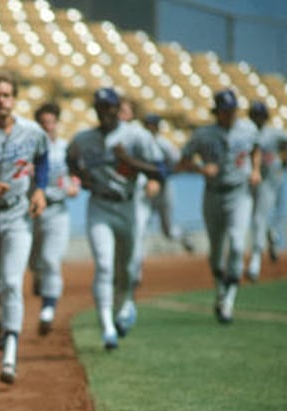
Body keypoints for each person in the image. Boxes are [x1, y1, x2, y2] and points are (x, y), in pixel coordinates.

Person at [66, 87, 165, 349]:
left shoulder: (136, 135)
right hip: (100, 205)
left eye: (109, 107)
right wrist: (81, 176)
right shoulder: (84, 138)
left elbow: (160, 169)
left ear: (118, 108)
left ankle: (124, 306)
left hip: (128, 207)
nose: (105, 112)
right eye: (100, 107)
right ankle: (108, 327)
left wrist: (128, 160)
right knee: (105, 265)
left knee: (129, 270)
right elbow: (70, 158)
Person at [0, 70, 48, 383]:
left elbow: (42, 158)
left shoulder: (31, 131)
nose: (2, 101)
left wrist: (40, 189)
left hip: (18, 214)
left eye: (7, 95)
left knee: (12, 281)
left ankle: (10, 354)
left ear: (14, 98)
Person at [176, 89, 261, 323]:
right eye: (225, 110)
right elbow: (183, 161)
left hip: (239, 193)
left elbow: (256, 149)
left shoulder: (248, 129)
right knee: (216, 251)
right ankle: (220, 291)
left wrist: (255, 170)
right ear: (217, 112)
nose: (229, 114)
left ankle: (228, 300)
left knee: (236, 243)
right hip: (213, 194)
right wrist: (201, 169)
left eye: (232, 110)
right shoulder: (203, 134)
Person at [29, 102, 81, 335]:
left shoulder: (65, 148)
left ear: (57, 123)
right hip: (31, 211)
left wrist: (74, 186)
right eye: (44, 123)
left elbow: (76, 173)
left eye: (51, 122)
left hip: (57, 210)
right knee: (34, 262)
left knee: (51, 259)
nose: (48, 126)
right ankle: (39, 277)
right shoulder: (30, 147)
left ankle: (48, 310)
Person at [132, 113, 194, 284]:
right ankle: (136, 272)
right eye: (148, 125)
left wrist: (160, 177)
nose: (150, 128)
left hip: (164, 190)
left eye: (153, 125)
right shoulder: (137, 143)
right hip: (144, 192)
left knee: (168, 231)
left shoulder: (164, 144)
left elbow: (178, 164)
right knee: (139, 230)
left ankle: (183, 235)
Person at [246, 101, 287, 280]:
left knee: (262, 216)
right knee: (257, 217)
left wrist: (284, 161)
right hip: (253, 180)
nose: (258, 118)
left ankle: (257, 258)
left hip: (271, 179)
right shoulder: (247, 133)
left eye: (260, 114)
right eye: (255, 114)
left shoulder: (274, 133)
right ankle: (269, 239)